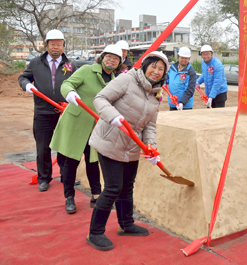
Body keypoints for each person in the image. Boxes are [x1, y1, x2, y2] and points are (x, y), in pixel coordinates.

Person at [86, 51, 167, 251]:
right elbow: (101, 98)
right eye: (153, 66)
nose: (156, 72)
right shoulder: (127, 79)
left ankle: (126, 224)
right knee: (113, 188)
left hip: (131, 145)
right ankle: (95, 232)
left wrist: (151, 147)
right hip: (110, 140)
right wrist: (113, 116)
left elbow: (150, 126)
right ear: (145, 65)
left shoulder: (156, 93)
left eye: (161, 69)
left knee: (127, 186)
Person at [49, 45, 123, 214]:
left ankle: (96, 196)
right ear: (102, 57)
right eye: (109, 57)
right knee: (71, 162)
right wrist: (70, 94)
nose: (111, 60)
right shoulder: (87, 70)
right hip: (76, 122)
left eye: (116, 58)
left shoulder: (115, 81)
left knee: (93, 161)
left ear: (119, 63)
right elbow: (67, 83)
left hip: (96, 126)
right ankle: (69, 197)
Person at [18, 29, 74, 192]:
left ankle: (66, 176)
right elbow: (23, 77)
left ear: (63, 45)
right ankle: (44, 178)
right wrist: (26, 85)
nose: (56, 47)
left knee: (64, 146)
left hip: (64, 112)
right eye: (53, 44)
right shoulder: (36, 63)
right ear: (46, 45)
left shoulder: (70, 64)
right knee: (43, 147)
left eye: (59, 44)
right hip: (43, 111)